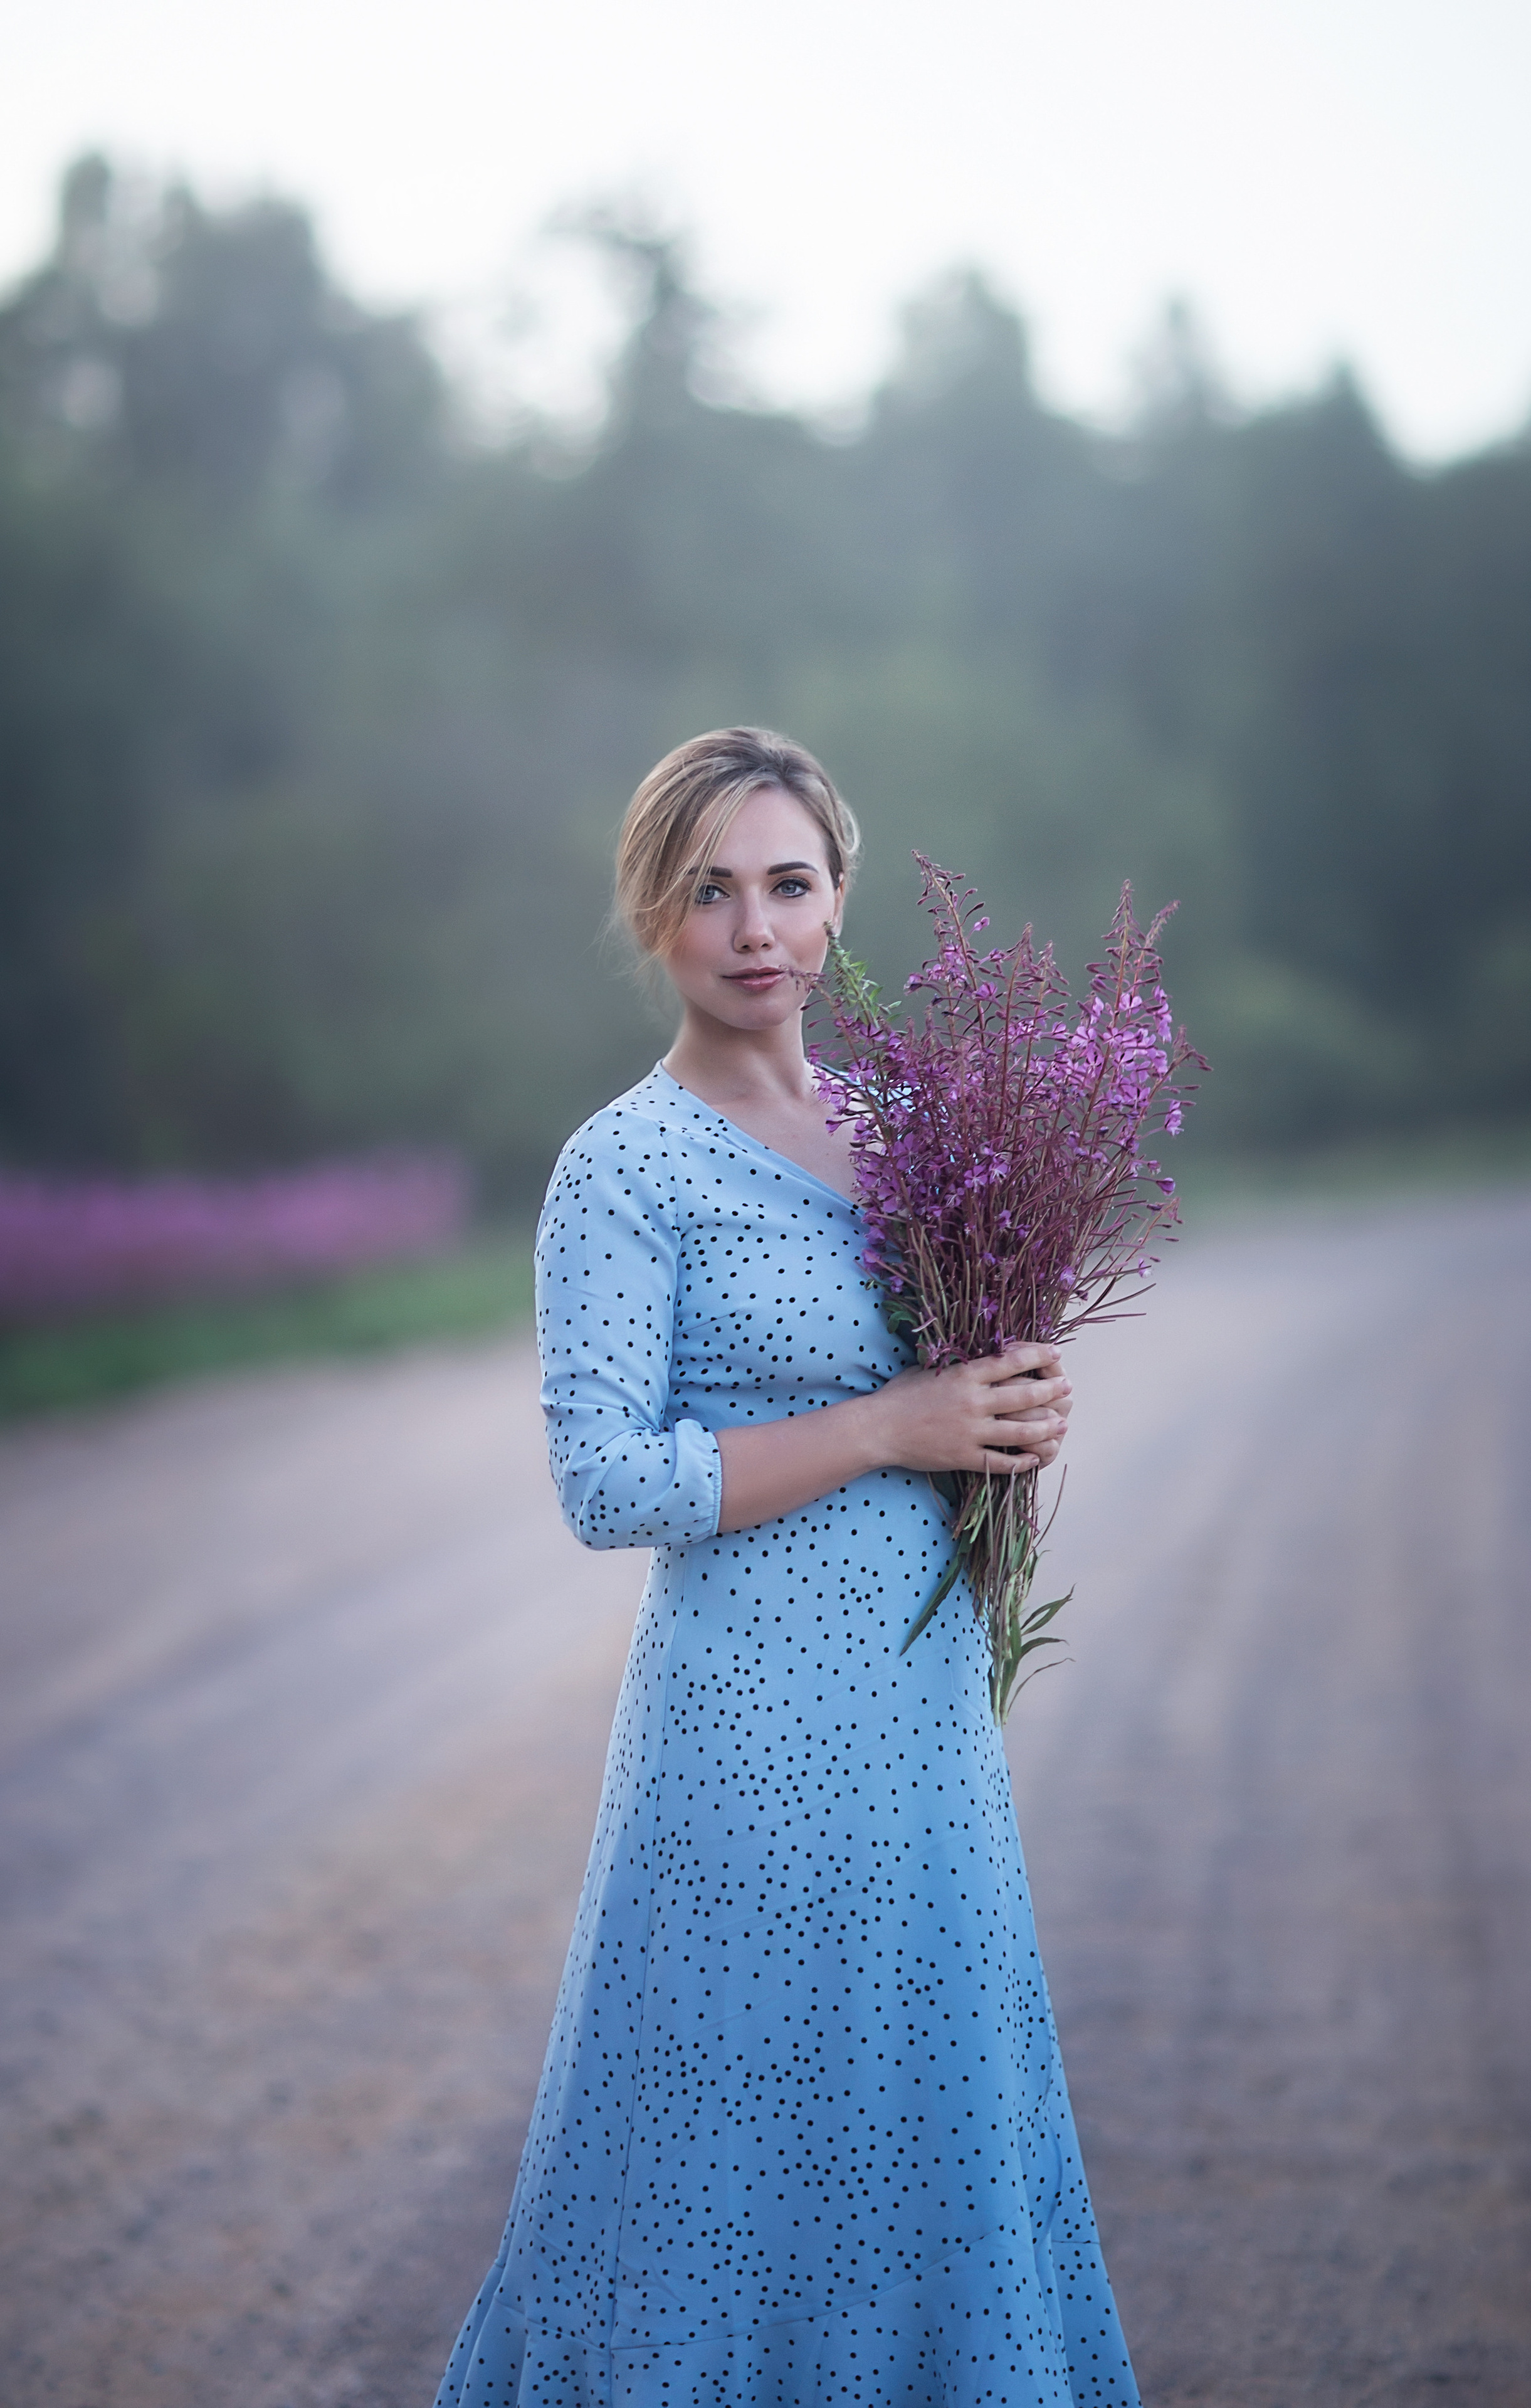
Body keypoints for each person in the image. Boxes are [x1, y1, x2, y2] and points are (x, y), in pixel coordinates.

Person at [434, 728, 1141, 2407]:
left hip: (920, 1716)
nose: (756, 927)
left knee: (920, 2101)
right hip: (738, 1730)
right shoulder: (621, 1171)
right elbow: (606, 1486)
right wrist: (897, 1425)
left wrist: (1011, 1409)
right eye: (711, 891)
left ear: (839, 904)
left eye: (790, 885)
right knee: (715, 2126)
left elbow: (968, 1382)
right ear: (654, 919)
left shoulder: (923, 1129)